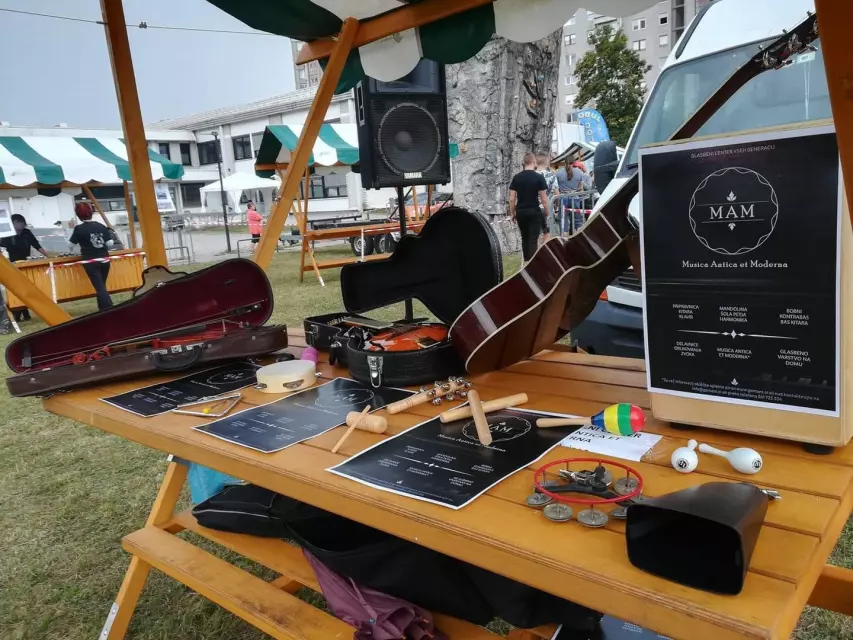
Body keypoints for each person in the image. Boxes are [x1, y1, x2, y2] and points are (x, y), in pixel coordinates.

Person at [0, 214, 50, 322]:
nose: (23, 226)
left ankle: (25, 312)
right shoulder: (6, 234)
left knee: (26, 289)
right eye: (21, 224)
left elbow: (37, 245)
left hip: (26, 264)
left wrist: (48, 256)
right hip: (12, 265)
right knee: (16, 289)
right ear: (14, 223)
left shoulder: (27, 233)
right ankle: (18, 313)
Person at [69, 202, 114, 311]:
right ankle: (102, 307)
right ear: (92, 213)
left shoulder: (79, 229)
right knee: (101, 285)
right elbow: (110, 243)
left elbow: (70, 245)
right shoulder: (101, 226)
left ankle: (108, 308)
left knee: (100, 287)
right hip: (105, 259)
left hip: (90, 261)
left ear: (78, 215)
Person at [509, 152, 550, 262]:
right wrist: (547, 212)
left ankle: (527, 261)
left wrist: (512, 213)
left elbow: (512, 198)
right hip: (534, 211)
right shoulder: (539, 177)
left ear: (524, 162)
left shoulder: (516, 177)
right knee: (533, 239)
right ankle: (532, 264)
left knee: (525, 238)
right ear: (534, 162)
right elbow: (544, 199)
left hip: (521, 212)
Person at [556, 160, 593, 234]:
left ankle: (564, 238)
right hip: (575, 197)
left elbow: (557, 188)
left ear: (564, 163)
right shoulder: (579, 172)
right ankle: (580, 238)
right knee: (578, 221)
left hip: (563, 198)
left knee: (563, 221)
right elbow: (580, 188)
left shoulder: (558, 172)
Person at [536, 153, 558, 243]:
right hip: (547, 207)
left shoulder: (530, 175)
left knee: (535, 236)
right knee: (547, 233)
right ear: (547, 162)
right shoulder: (552, 175)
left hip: (534, 207)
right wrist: (556, 206)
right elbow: (557, 194)